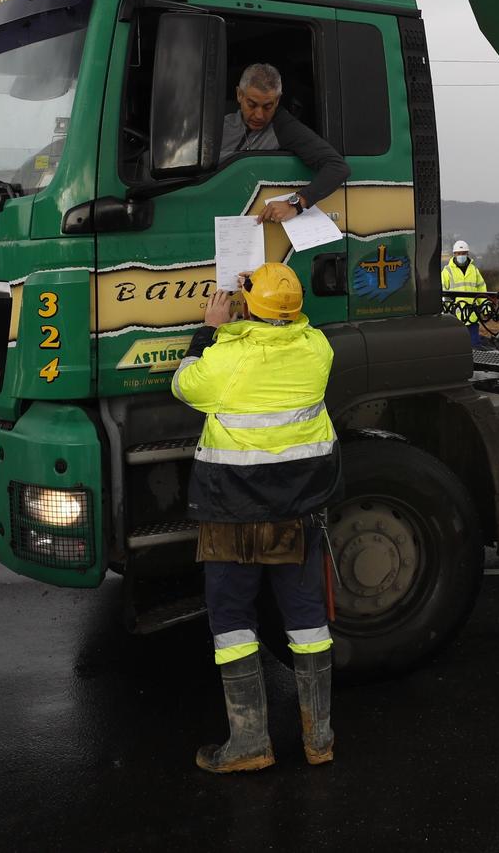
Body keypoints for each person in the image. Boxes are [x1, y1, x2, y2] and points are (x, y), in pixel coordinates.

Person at [172, 261, 340, 773]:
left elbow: (183, 385)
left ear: (248, 308)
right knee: (308, 620)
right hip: (298, 511)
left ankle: (249, 743)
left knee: (233, 622)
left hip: (232, 515)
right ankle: (319, 741)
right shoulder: (318, 351)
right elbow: (292, 329)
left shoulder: (226, 360)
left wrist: (210, 328)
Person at [218, 62, 348, 223]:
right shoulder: (217, 122)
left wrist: (295, 203)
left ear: (278, 101)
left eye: (268, 106)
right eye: (252, 105)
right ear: (239, 95)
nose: (259, 115)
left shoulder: (284, 126)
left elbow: (337, 167)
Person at [442, 240, 488, 343]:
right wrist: (446, 311)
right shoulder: (447, 271)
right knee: (457, 345)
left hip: (472, 315)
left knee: (474, 346)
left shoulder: (474, 270)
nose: (461, 255)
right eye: (459, 253)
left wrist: (485, 305)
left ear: (467, 253)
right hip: (455, 317)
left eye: (463, 253)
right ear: (454, 254)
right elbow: (443, 293)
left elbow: (481, 289)